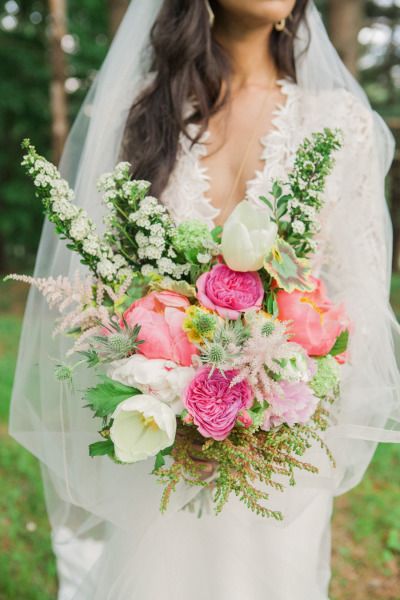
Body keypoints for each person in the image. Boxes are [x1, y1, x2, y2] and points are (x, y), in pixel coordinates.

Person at [10, 1, 400, 599]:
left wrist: (273, 392)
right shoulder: (141, 109)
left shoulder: (339, 122)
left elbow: (361, 302)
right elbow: (99, 283)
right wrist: (161, 379)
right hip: (157, 444)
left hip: (277, 458)